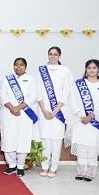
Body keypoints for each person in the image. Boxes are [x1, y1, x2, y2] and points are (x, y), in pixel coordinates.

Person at [67, 59, 99, 182]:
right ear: (86, 70)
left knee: (92, 147)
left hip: (95, 122)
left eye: (94, 67)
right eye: (89, 67)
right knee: (81, 146)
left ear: (98, 70)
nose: (91, 70)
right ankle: (80, 171)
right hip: (80, 120)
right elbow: (72, 100)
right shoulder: (78, 84)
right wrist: (81, 115)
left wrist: (91, 116)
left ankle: (90, 172)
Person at [0, 57, 39, 178]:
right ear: (13, 66)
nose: (19, 67)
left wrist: (18, 108)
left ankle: (20, 166)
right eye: (16, 64)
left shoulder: (31, 79)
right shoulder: (7, 79)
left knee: (23, 138)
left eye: (21, 65)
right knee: (8, 138)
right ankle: (11, 165)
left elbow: (33, 96)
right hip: (8, 113)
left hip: (24, 114)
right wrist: (12, 108)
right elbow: (2, 95)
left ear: (25, 67)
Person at [36, 46, 73, 178]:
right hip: (43, 111)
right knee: (45, 139)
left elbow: (66, 91)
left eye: (55, 54)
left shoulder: (65, 70)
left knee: (56, 140)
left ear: (59, 56)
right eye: (50, 54)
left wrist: (55, 110)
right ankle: (45, 166)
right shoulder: (41, 70)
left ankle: (54, 168)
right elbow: (38, 91)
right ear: (48, 55)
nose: (53, 56)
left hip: (59, 112)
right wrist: (44, 110)